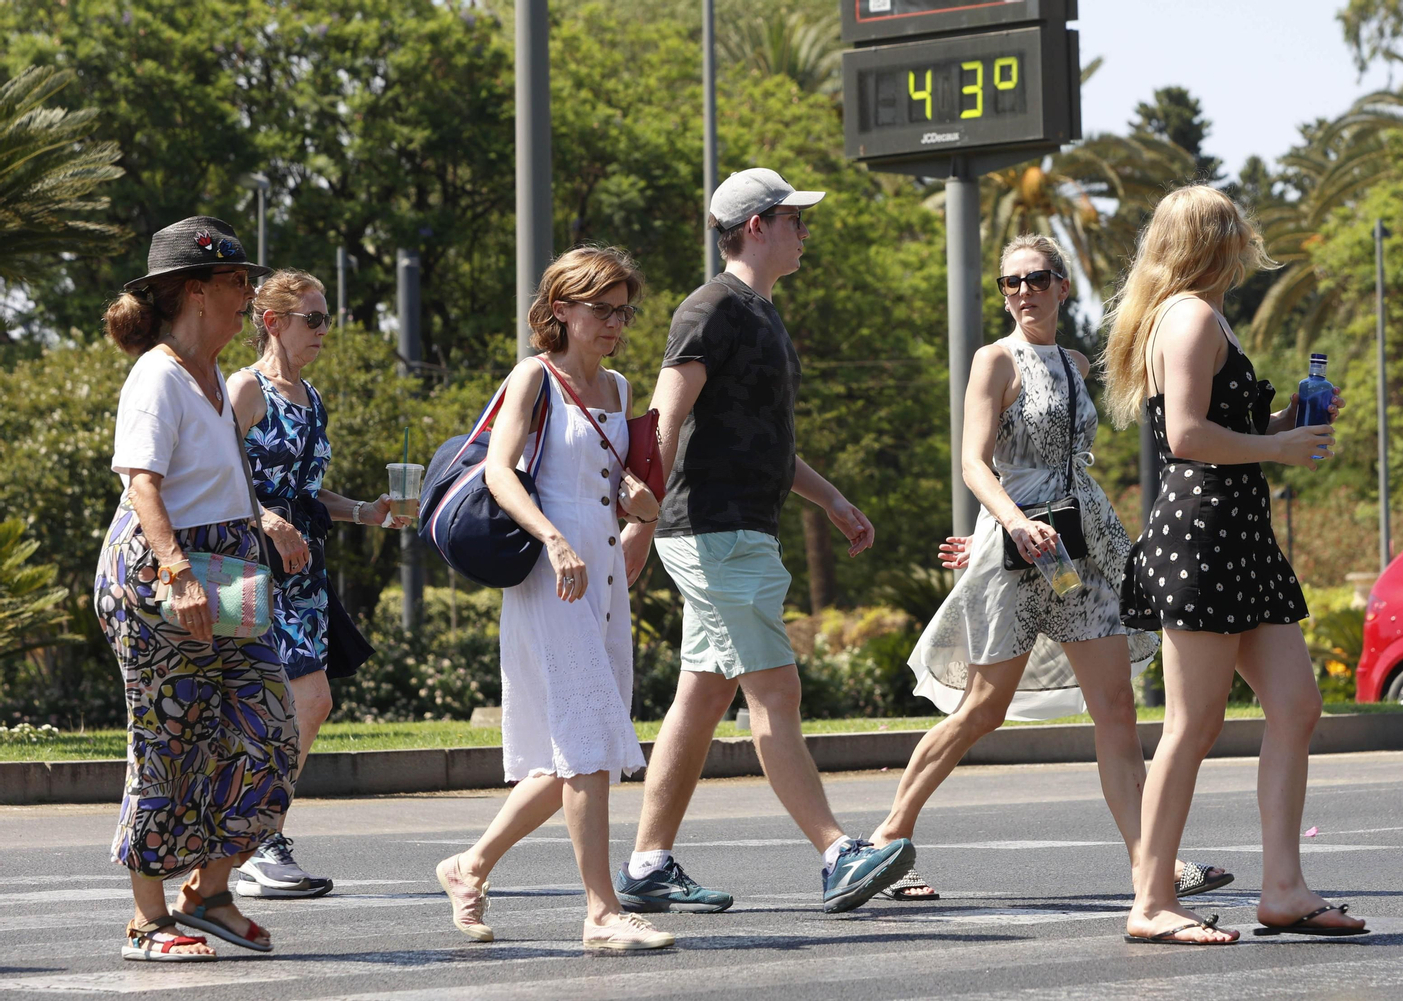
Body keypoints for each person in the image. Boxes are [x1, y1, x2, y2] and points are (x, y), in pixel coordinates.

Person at [868, 234, 1230, 904]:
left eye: (1037, 278)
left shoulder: (1075, 361)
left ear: (1063, 286)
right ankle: (886, 840)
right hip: (1019, 547)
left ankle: (1151, 865)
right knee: (983, 708)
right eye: (1011, 282)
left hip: (1083, 548)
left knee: (1117, 708)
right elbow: (975, 462)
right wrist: (1009, 522)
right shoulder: (993, 361)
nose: (1024, 291)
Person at [613, 167, 913, 916]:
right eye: (794, 220)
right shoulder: (710, 308)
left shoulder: (763, 313)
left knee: (704, 692)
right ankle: (839, 852)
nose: (804, 233)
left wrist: (834, 499)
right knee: (776, 689)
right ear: (756, 227)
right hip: (713, 529)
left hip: (739, 525)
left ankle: (649, 863)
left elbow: (767, 442)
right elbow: (666, 418)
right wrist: (639, 522)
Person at [1103, 185, 1366, 944]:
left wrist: (1286, 423)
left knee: (1295, 705)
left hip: (1236, 534)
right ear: (1220, 240)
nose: (1251, 243)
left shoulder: (1200, 315)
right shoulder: (1187, 317)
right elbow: (1185, 435)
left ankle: (1283, 886)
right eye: (1239, 231)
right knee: (1192, 723)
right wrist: (1275, 447)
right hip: (1204, 533)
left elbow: (1219, 422)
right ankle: (1151, 899)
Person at [435, 246, 674, 951]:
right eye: (601, 308)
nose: (615, 323)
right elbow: (503, 474)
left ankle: (469, 864)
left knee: (576, 748)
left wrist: (641, 511)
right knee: (589, 742)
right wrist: (552, 538)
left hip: (603, 578)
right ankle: (601, 912)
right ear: (560, 310)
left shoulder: (623, 390)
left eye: (624, 309)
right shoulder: (533, 377)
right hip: (551, 576)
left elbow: (629, 492)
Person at [95, 215, 293, 961]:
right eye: (238, 282)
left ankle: (208, 892)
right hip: (161, 568)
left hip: (231, 563)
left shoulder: (216, 377)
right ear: (195, 291)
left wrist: (263, 524)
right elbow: (142, 481)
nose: (249, 295)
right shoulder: (157, 372)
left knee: (271, 730)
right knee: (167, 739)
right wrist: (178, 572)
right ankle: (147, 920)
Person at [227, 269, 408, 899]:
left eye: (327, 317)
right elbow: (212, 479)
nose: (324, 330)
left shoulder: (311, 396)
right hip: (249, 570)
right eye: (314, 319)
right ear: (272, 323)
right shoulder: (247, 390)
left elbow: (308, 492)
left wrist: (364, 510)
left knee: (309, 700)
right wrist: (268, 519)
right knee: (289, 700)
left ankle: (257, 834)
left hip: (302, 573)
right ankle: (254, 840)